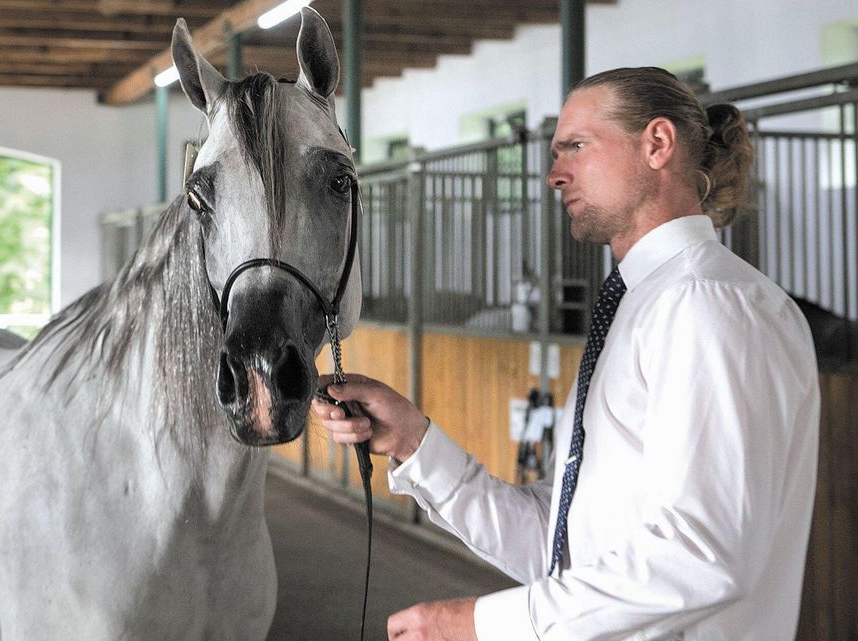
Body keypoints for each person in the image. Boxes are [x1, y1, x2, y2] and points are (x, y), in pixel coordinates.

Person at [314, 67, 819, 641]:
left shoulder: (706, 305)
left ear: (657, 144)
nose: (555, 175)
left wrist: (479, 624)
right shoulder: (639, 305)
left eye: (576, 146)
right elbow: (560, 548)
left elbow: (702, 554)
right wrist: (413, 442)